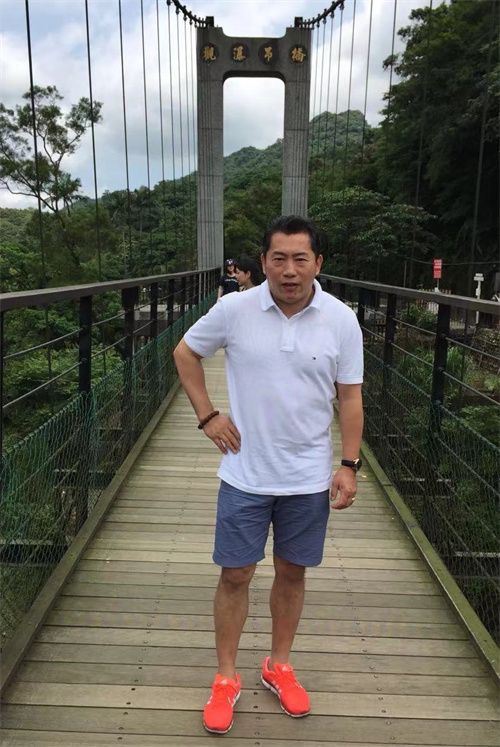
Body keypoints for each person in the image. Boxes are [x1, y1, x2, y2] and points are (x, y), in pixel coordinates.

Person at [173, 215, 364, 735]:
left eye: (301, 258)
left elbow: (350, 397)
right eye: (279, 258)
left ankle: (278, 665)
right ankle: (225, 676)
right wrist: (208, 416)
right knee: (235, 574)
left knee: (292, 573)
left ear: (318, 263)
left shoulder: (341, 319)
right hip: (245, 473)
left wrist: (348, 464)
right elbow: (185, 352)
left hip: (308, 476)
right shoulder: (235, 309)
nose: (289, 270)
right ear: (263, 263)